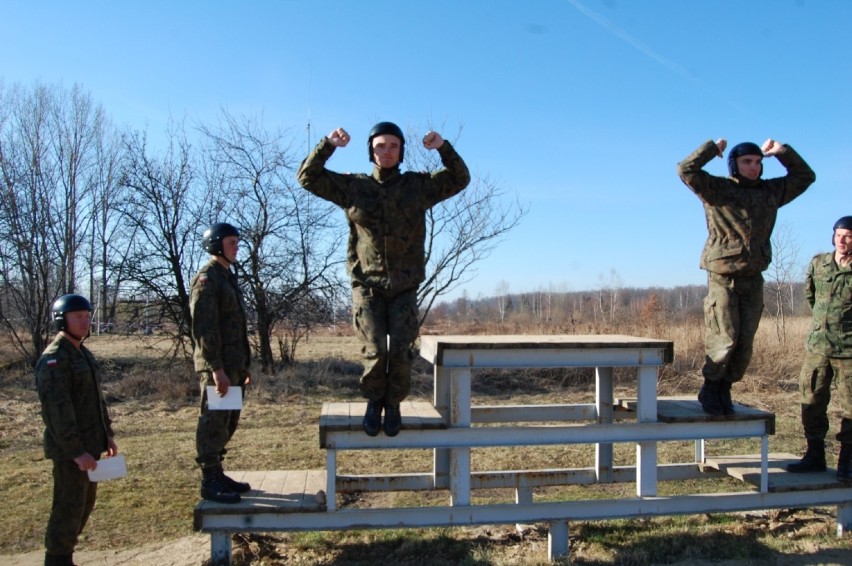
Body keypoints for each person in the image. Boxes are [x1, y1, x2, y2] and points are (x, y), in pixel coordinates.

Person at [297, 121, 470, 437]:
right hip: (367, 284)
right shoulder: (354, 187)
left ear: (401, 151)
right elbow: (307, 177)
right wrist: (328, 145)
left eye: (393, 145)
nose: (386, 151)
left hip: (404, 285)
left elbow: (460, 179)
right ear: (370, 151)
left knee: (402, 351)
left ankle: (393, 405)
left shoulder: (417, 187)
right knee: (376, 349)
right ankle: (374, 403)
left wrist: (442, 147)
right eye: (380, 146)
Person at [677, 138, 816, 415]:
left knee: (744, 342)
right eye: (747, 162)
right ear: (734, 165)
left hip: (753, 276)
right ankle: (710, 387)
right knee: (725, 335)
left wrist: (782, 153)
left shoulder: (770, 192)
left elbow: (805, 177)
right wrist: (711, 150)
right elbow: (686, 170)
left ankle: (726, 387)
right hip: (723, 275)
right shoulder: (717, 189)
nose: (754, 167)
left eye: (757, 162)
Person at [35, 293, 118, 566]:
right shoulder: (55, 358)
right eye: (78, 317)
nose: (85, 322)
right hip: (71, 451)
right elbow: (58, 412)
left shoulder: (81, 352)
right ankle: (57, 559)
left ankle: (65, 557)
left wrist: (108, 436)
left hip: (90, 445)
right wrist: (76, 451)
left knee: (82, 506)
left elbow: (95, 400)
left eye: (87, 316)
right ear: (62, 320)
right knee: (68, 507)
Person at [786, 216, 852, 480]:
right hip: (819, 347)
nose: (842, 240)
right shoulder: (819, 263)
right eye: (839, 234)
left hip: (849, 349)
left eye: (848, 235)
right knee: (811, 400)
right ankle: (814, 455)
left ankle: (847, 460)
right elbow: (811, 297)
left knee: (851, 408)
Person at [191, 222, 253, 503]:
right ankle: (210, 479)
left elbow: (235, 327)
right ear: (216, 245)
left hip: (233, 367)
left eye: (237, 242)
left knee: (228, 422)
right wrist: (216, 369)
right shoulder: (208, 278)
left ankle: (218, 470)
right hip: (218, 368)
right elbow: (204, 328)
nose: (236, 247)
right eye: (231, 242)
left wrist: (243, 367)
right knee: (213, 422)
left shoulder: (227, 277)